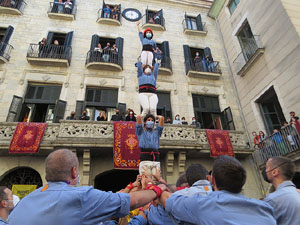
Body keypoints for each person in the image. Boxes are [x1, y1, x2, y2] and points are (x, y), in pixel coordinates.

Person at [9, 149, 166, 225]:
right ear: (74, 171)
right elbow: (129, 201)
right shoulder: (79, 197)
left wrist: (132, 185)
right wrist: (157, 187)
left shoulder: (25, 200)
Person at [159, 155, 277, 225]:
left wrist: (158, 185)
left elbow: (168, 200)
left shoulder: (203, 204)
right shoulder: (265, 209)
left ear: (212, 180)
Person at [263, 156, 300, 225]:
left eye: (267, 167)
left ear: (274, 172)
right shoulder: (297, 192)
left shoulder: (272, 200)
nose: (265, 171)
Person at [136, 114, 164, 179]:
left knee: (156, 179)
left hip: (155, 156)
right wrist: (144, 115)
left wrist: (156, 116)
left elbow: (161, 119)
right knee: (146, 178)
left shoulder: (157, 132)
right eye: (148, 120)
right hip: (145, 155)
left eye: (152, 120)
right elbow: (139, 118)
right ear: (145, 122)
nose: (150, 121)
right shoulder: (141, 132)